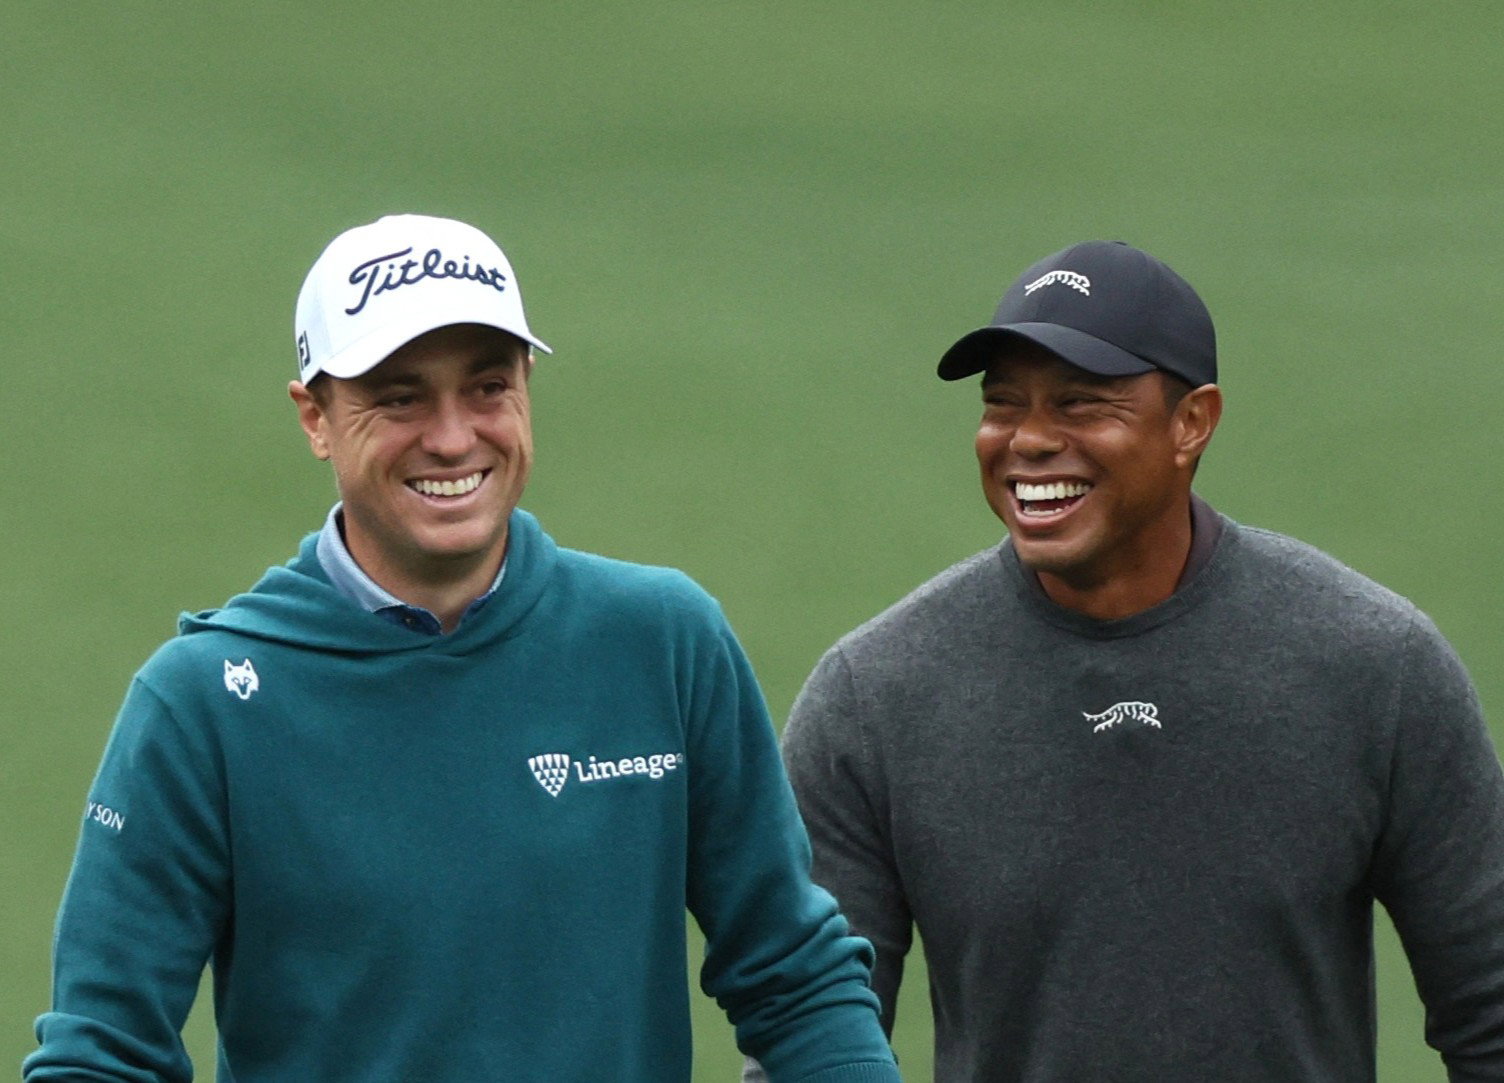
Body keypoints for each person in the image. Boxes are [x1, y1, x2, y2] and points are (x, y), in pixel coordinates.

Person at [26, 213, 901, 1083]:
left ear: (527, 387)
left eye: (487, 387)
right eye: (399, 397)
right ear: (315, 417)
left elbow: (797, 981)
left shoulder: (663, 643)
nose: (452, 438)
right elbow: (102, 1053)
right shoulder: (204, 702)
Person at [750, 241, 1504, 1081]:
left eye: (1079, 403)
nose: (1029, 439)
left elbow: (1492, 1007)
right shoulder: (875, 695)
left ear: (1192, 422)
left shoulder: (1376, 665)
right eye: (1002, 404)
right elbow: (809, 1037)